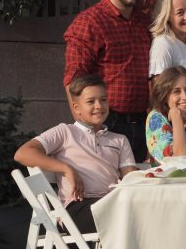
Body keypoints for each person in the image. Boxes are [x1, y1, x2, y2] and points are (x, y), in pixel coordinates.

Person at [14, 74, 137, 234]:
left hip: (112, 202)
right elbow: (22, 154)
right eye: (91, 101)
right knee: (123, 215)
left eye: (103, 99)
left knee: (141, 211)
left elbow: (132, 180)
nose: (99, 106)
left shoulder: (119, 140)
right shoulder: (65, 132)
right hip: (76, 207)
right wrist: (66, 168)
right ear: (76, 107)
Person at [64, 0, 151, 162]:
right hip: (107, 123)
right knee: (108, 190)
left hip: (145, 124)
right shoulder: (90, 22)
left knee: (141, 191)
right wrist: (85, 132)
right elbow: (74, 81)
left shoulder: (146, 23)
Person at [146, 66, 186, 165]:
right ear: (164, 96)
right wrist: (176, 116)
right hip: (168, 179)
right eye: (176, 91)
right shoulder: (156, 118)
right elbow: (180, 160)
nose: (185, 96)